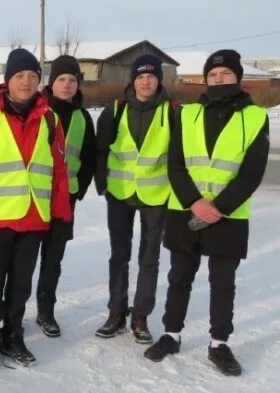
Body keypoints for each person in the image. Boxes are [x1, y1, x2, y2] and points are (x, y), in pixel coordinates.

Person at [144, 50, 269, 377]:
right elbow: (175, 165)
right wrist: (194, 203)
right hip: (185, 210)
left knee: (223, 282)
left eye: (225, 74)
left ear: (237, 77)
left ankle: (219, 343)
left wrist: (218, 208)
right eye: (212, 75)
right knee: (179, 277)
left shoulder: (255, 117)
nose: (218, 80)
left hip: (229, 216)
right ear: (205, 79)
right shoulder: (187, 114)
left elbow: (252, 172)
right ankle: (171, 334)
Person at [0, 48, 72, 370]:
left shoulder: (51, 120)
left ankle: (14, 334)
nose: (26, 82)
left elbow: (60, 173)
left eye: (33, 76)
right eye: (20, 75)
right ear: (7, 80)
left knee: (21, 285)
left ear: (39, 81)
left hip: (35, 219)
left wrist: (62, 216)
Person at [94, 54, 175, 344]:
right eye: (140, 76)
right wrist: (101, 183)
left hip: (156, 194)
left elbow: (178, 156)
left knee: (149, 257)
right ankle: (116, 313)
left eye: (151, 76)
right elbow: (101, 149)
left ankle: (140, 316)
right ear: (132, 80)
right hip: (120, 192)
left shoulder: (173, 111)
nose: (145, 81)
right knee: (119, 255)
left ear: (158, 79)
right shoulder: (115, 110)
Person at [34, 55, 96, 337]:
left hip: (64, 200)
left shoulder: (83, 118)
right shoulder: (38, 111)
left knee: (52, 259)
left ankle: (46, 312)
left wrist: (79, 190)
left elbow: (89, 157)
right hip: (33, 196)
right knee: (23, 258)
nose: (67, 85)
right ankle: (12, 311)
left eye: (72, 80)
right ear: (51, 82)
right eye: (62, 79)